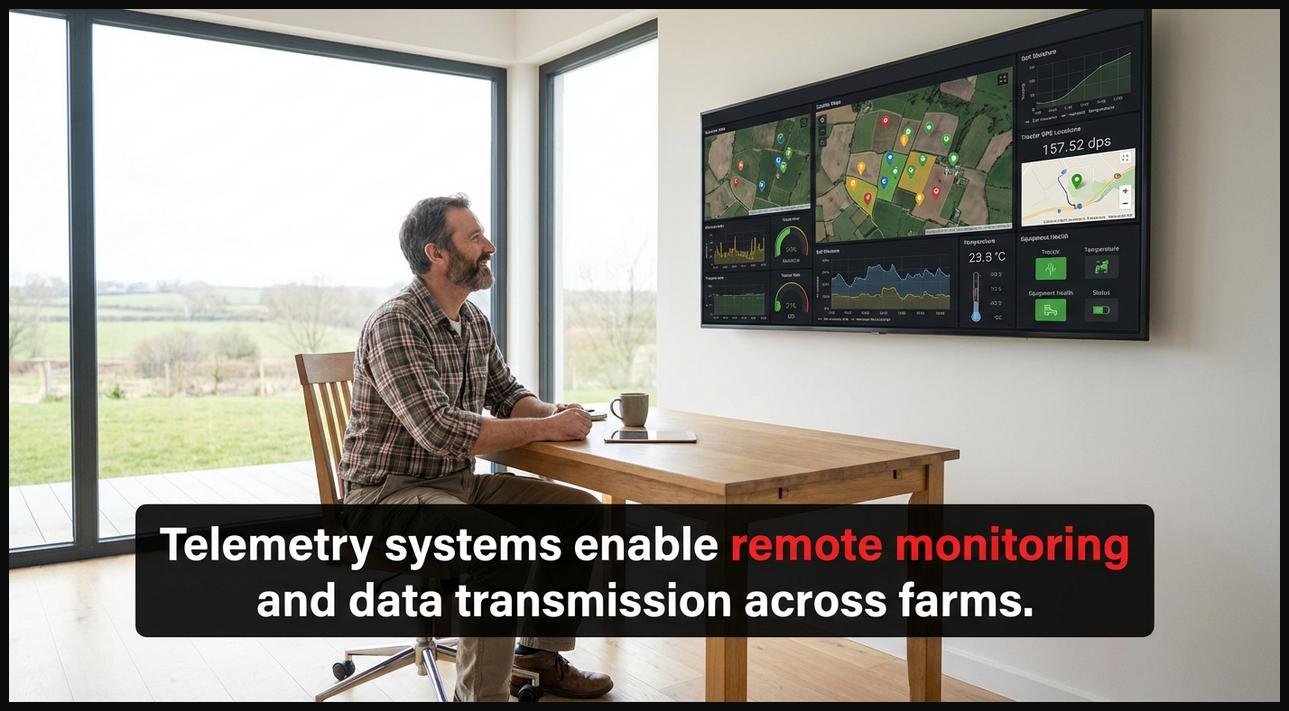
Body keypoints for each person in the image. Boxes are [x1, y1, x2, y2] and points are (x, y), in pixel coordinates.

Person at [339, 194, 614, 702]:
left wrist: (559, 414)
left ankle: (538, 655)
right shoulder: (396, 323)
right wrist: (545, 430)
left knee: (578, 512)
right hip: (382, 501)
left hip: (453, 487)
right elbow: (440, 430)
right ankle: (482, 699)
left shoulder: (473, 322)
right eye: (474, 238)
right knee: (500, 548)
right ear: (436, 254)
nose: (490, 246)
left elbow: (508, 396)